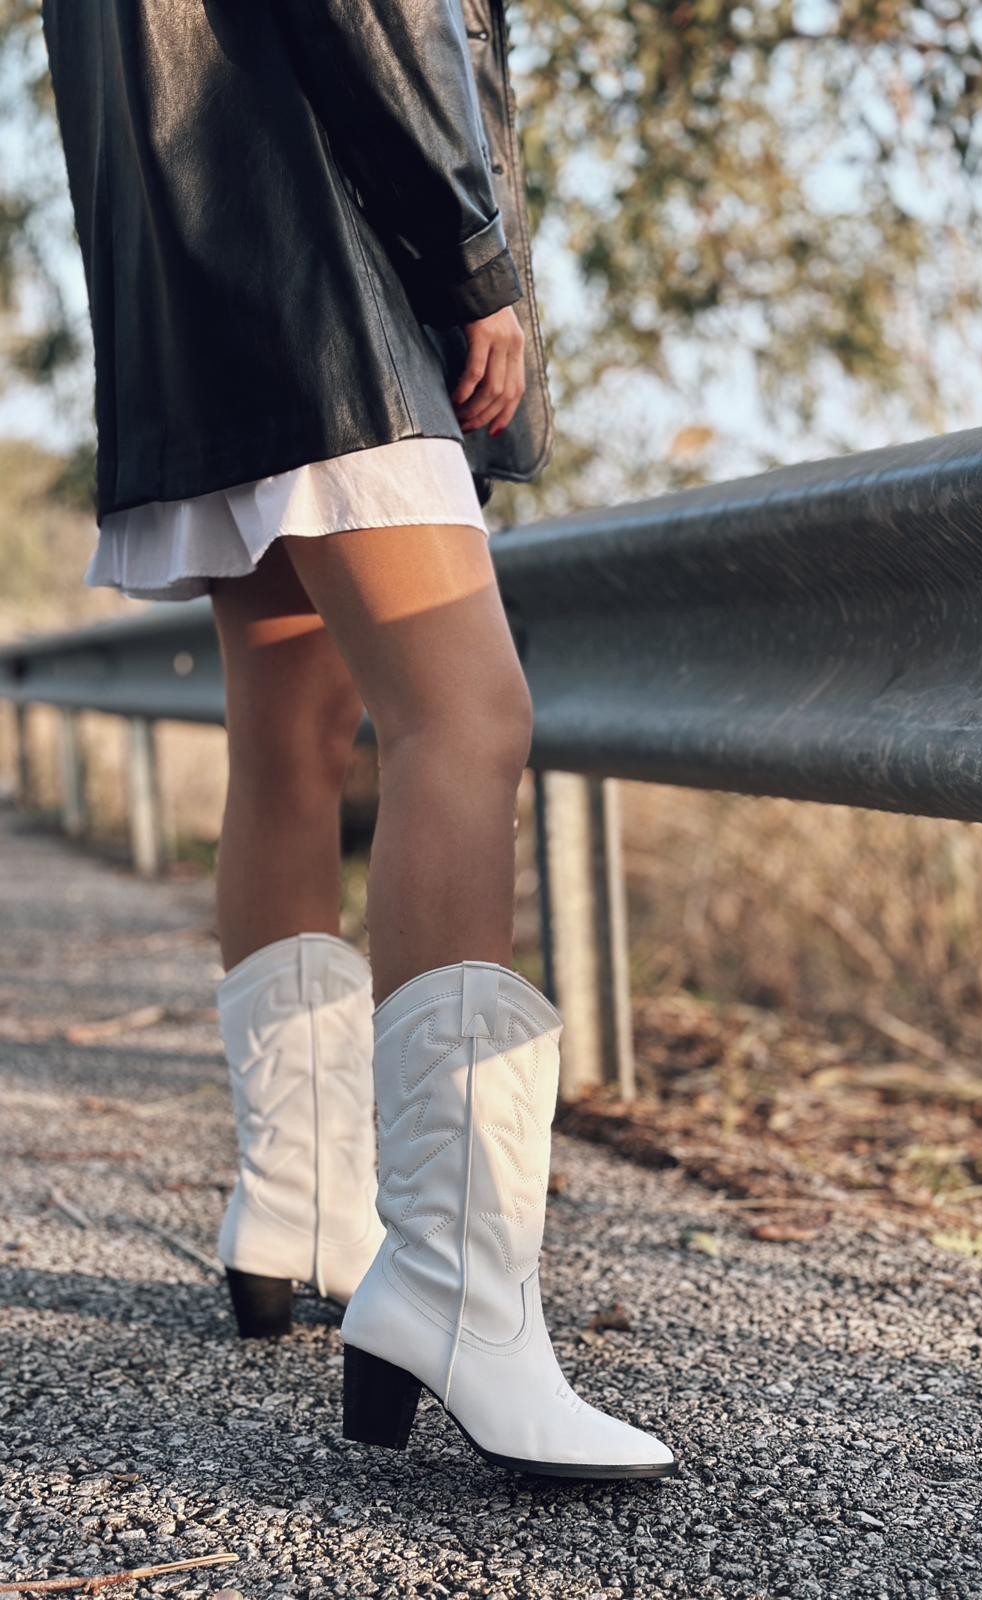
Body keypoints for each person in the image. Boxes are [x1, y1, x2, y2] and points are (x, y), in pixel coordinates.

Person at [41, 0, 674, 1481]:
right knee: (467, 717)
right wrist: (470, 254)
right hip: (330, 245)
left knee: (294, 733)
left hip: (185, 247)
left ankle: (299, 1207)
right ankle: (452, 1289)